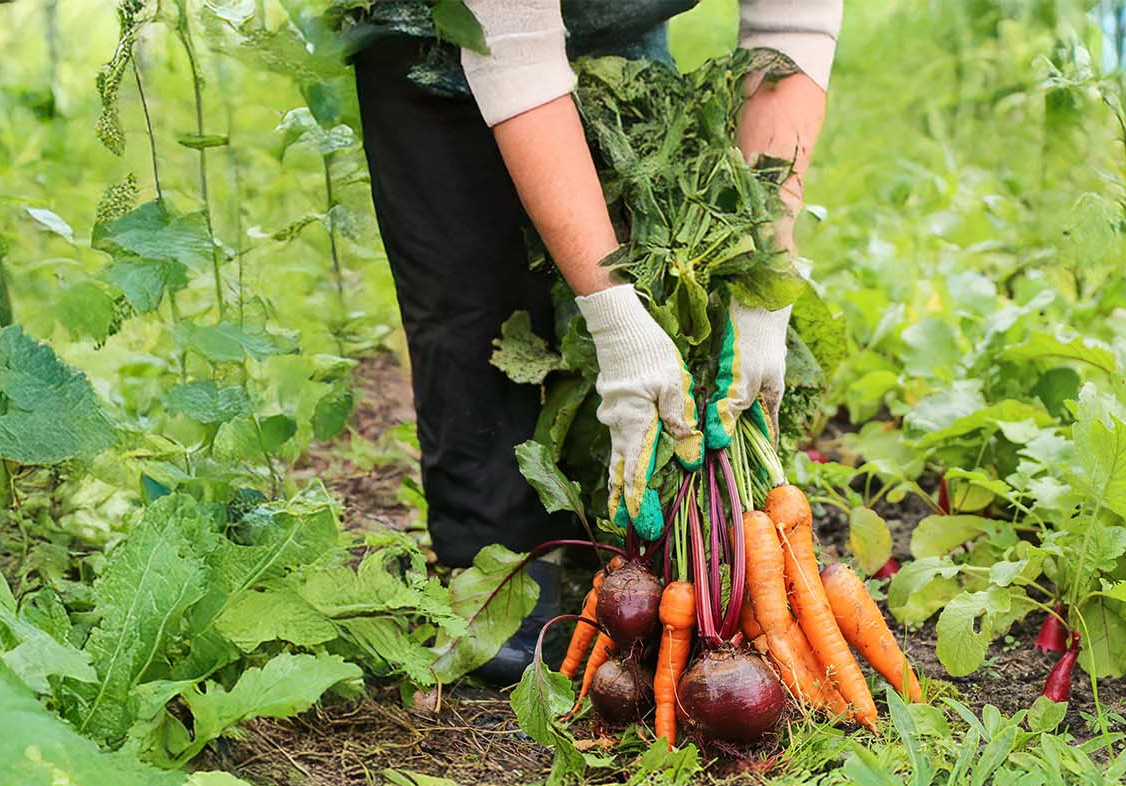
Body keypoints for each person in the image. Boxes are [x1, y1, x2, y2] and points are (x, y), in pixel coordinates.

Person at [346, 1, 840, 681]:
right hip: (436, 35)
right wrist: (616, 322)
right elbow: (511, 44)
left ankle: (638, 563)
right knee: (471, 305)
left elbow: (792, 34)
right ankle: (497, 557)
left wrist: (762, 280)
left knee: (653, 270)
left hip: (614, 32)